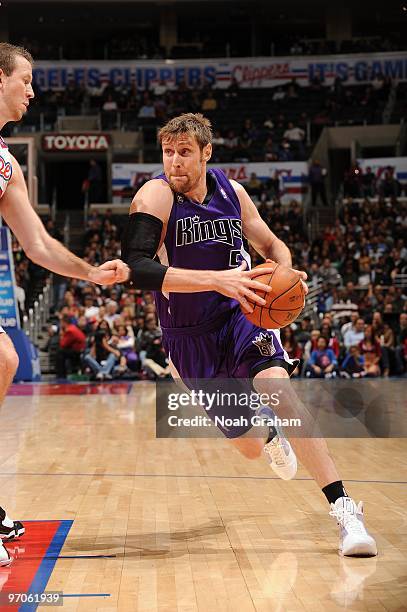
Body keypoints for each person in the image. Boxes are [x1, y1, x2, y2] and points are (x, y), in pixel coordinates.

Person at [102, 112, 377, 557]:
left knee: (276, 387)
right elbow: (139, 269)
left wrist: (284, 273)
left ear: (206, 153)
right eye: (168, 152)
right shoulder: (155, 195)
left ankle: (345, 510)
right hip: (188, 335)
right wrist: (216, 280)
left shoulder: (233, 192)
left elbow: (272, 246)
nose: (174, 163)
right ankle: (270, 437)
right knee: (249, 446)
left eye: (185, 153)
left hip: (241, 311)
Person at [0, 42, 128, 564]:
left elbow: (39, 245)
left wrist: (91, 272)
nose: (32, 90)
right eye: (24, 79)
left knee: (5, 359)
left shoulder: (6, 164)